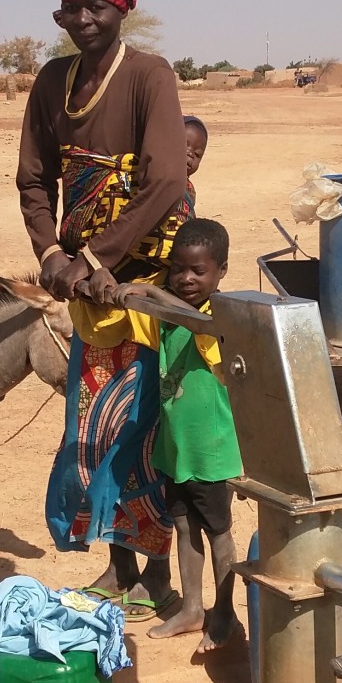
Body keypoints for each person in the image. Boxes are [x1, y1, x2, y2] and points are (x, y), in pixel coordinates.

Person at [17, 0, 192, 620]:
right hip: (88, 290)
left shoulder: (149, 74)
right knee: (96, 425)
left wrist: (98, 258)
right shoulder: (50, 81)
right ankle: (119, 569)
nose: (83, 19)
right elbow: (34, 180)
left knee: (152, 424)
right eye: (70, 7)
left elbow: (166, 180)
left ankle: (157, 575)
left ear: (123, 7)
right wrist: (52, 255)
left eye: (96, 6)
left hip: (145, 283)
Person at [110, 218, 244, 653]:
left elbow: (196, 326)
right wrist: (112, 289)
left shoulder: (222, 320)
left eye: (198, 271)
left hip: (212, 454)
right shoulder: (168, 321)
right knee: (185, 528)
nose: (187, 279)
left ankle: (225, 612)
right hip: (176, 450)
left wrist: (152, 292)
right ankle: (191, 608)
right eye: (178, 269)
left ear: (221, 271)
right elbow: (129, 320)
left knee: (219, 533)